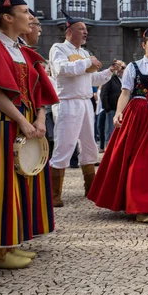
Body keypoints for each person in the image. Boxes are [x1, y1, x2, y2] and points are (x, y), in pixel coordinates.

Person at [0, 0, 58, 269]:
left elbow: (39, 90)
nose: (31, 17)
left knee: (18, 182)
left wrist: (40, 118)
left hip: (23, 121)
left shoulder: (21, 50)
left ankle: (9, 242)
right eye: (25, 12)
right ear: (7, 18)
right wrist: (22, 120)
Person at [88, 15, 148, 223]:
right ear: (144, 45)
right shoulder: (134, 67)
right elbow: (125, 93)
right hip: (137, 116)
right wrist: (119, 113)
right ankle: (139, 208)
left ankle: (146, 204)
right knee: (137, 161)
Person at [48, 11, 121, 207]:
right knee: (64, 145)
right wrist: (89, 62)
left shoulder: (84, 52)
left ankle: (90, 188)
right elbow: (62, 69)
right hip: (67, 102)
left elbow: (92, 79)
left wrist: (109, 71)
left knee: (90, 146)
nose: (85, 32)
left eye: (86, 29)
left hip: (85, 102)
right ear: (69, 31)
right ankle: (54, 193)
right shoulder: (58, 48)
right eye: (81, 29)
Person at [100, 63, 125, 151]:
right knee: (110, 130)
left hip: (123, 110)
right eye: (119, 68)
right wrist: (107, 108)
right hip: (112, 108)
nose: (121, 70)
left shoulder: (124, 79)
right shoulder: (110, 79)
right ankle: (109, 149)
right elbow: (103, 94)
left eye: (123, 68)